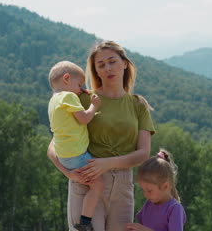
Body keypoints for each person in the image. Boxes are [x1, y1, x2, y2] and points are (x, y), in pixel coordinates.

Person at [47, 41, 155, 231]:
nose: (108, 68)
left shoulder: (138, 105)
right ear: (96, 71)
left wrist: (107, 163)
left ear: (124, 64)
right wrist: (68, 173)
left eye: (112, 61)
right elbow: (54, 145)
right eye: (101, 65)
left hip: (122, 188)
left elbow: (143, 153)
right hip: (87, 183)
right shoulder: (84, 99)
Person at [47, 61, 103, 231]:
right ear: (66, 79)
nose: (80, 90)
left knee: (91, 183)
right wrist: (94, 105)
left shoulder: (53, 101)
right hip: (76, 154)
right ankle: (84, 222)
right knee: (98, 185)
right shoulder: (68, 96)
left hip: (64, 156)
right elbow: (84, 118)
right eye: (79, 85)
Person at [126, 149, 186, 231]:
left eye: (149, 191)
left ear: (165, 186)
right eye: (143, 190)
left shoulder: (174, 208)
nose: (145, 195)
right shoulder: (149, 204)